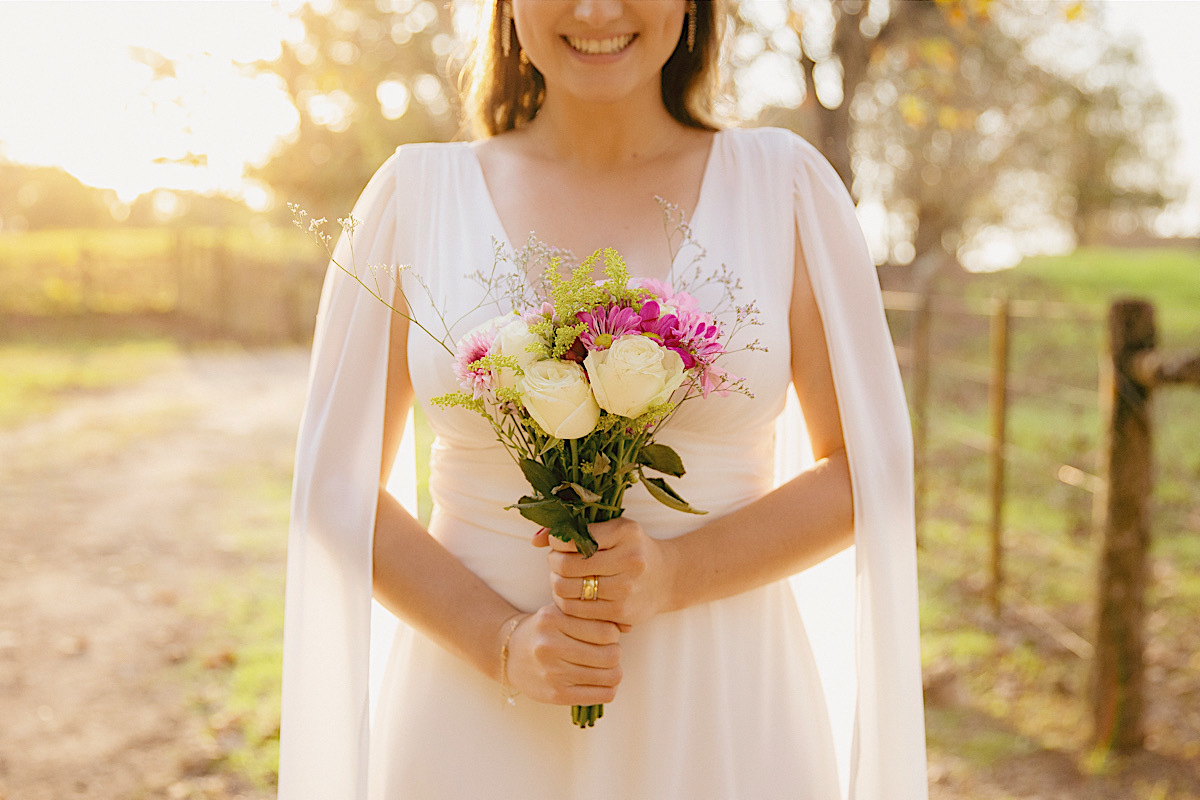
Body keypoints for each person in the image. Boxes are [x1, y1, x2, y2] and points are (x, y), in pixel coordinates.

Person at [278, 1, 928, 798]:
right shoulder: (416, 196)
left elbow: (865, 471)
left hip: (719, 707)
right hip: (475, 715)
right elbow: (336, 487)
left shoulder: (783, 189)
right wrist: (503, 643)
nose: (594, 10)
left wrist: (671, 574)